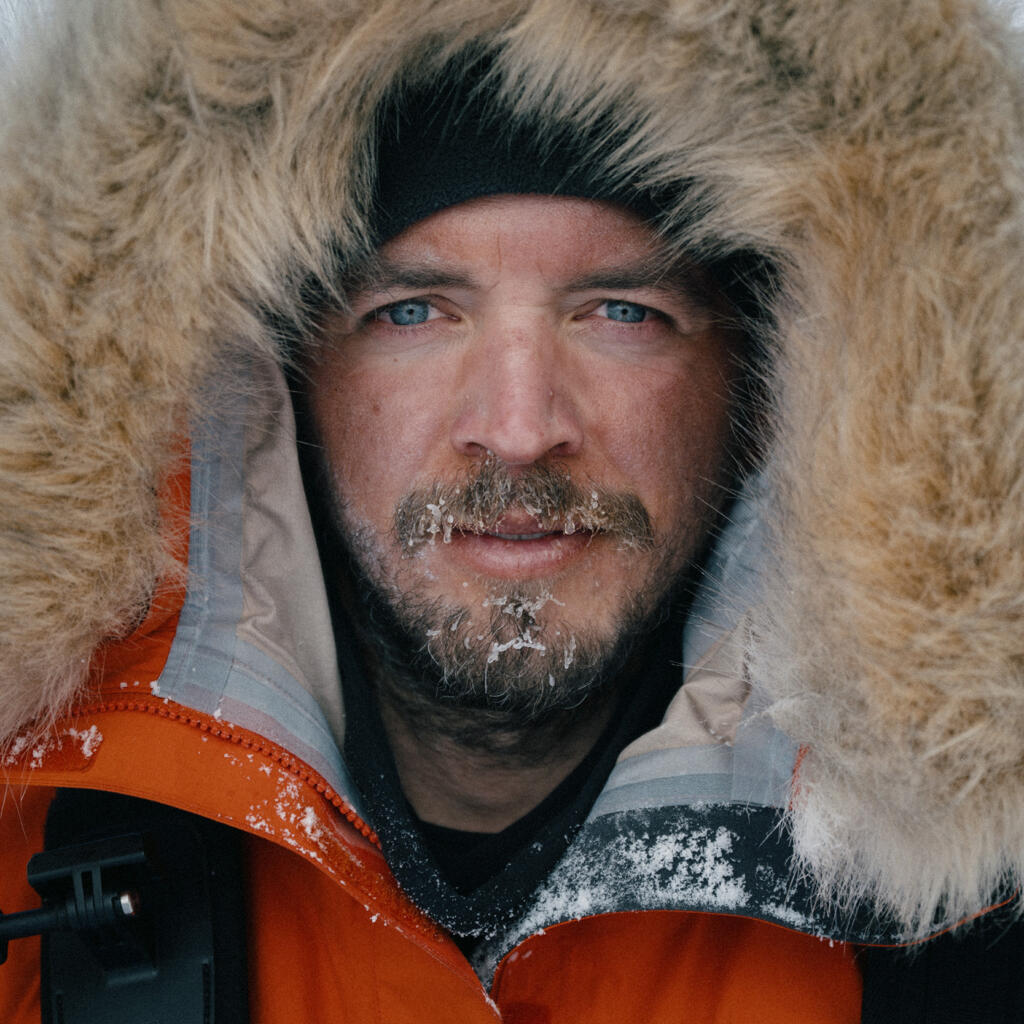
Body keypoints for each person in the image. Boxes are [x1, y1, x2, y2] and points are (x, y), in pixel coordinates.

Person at [0, 1, 1021, 1021]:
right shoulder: (25, 839)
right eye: (414, 313)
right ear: (277, 378)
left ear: (766, 381)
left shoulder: (974, 913)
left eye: (621, 313)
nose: (521, 426)